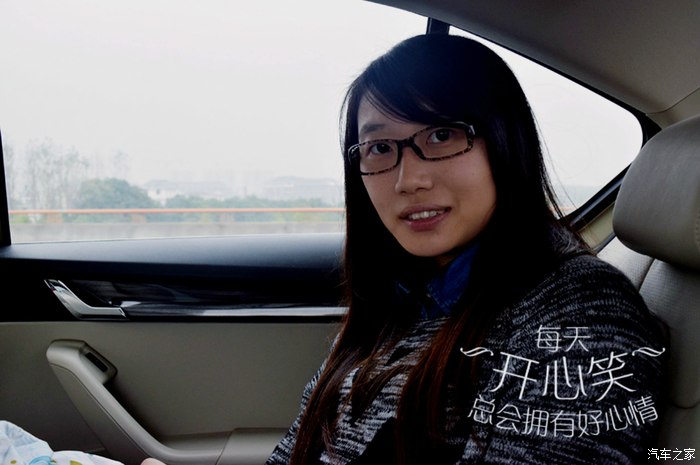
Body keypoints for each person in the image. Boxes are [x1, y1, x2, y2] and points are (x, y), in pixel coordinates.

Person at [263, 33, 666, 465]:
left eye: (441, 135)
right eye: (379, 147)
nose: (408, 180)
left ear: (506, 140)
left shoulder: (577, 317)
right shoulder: (400, 296)